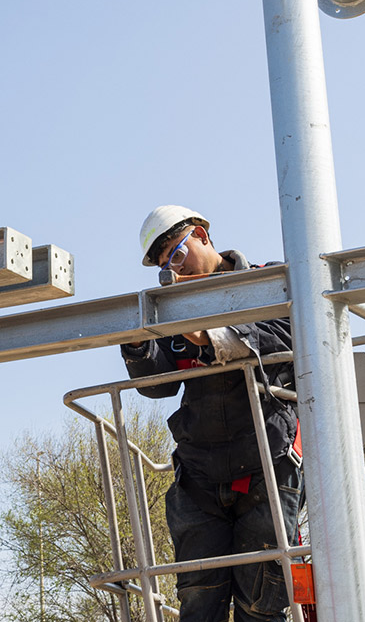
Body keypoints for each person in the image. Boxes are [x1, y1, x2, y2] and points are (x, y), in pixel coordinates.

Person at [122, 205, 303, 622]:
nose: (173, 268)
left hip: (267, 465)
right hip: (200, 474)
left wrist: (214, 335)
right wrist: (137, 347)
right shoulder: (176, 308)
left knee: (262, 602)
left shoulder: (266, 281)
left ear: (202, 235)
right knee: (199, 603)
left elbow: (284, 337)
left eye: (176, 252)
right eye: (163, 263)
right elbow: (160, 383)